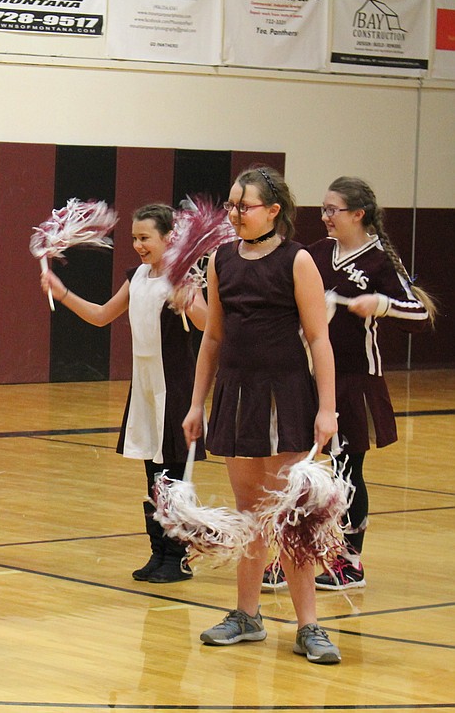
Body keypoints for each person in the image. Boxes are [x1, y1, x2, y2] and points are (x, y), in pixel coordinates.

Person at [181, 166, 342, 664]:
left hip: (286, 396)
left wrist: (328, 409)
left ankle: (309, 626)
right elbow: (212, 337)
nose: (234, 214)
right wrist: (196, 403)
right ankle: (247, 616)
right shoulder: (221, 260)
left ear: (273, 211)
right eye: (231, 205)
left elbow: (319, 339)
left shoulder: (298, 261)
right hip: (236, 395)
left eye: (243, 206)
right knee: (249, 511)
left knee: (291, 517)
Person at [264, 177, 435, 592]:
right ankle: (296, 556)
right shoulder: (317, 254)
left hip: (355, 379)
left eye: (332, 210)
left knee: (346, 470)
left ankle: (348, 561)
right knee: (296, 467)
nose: (324, 217)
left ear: (358, 214)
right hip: (308, 375)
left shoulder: (378, 262)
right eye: (321, 209)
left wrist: (382, 304)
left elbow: (419, 313)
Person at [40, 203, 208, 584]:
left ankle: (178, 557)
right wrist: (62, 292)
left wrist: (189, 300)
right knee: (153, 478)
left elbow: (209, 322)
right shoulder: (137, 278)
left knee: (173, 479)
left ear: (169, 238)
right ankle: (159, 552)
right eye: (134, 238)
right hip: (145, 388)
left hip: (174, 390)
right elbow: (101, 315)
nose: (138, 245)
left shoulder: (182, 279)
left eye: (145, 237)